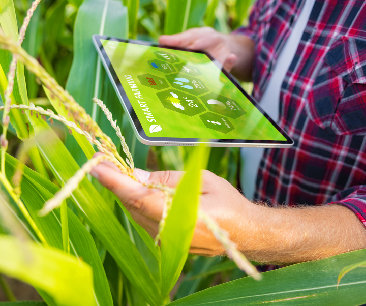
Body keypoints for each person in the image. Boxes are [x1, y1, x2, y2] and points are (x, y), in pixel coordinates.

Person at [90, 0, 366, 264]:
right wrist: (231, 46)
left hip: (327, 280)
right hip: (250, 199)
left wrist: (256, 230)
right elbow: (267, 37)